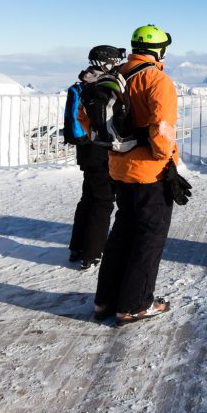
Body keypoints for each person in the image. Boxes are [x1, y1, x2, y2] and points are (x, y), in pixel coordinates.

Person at [91, 24, 179, 326]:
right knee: (148, 239)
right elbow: (162, 128)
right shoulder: (156, 79)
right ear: (159, 50)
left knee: (121, 235)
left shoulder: (113, 77)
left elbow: (87, 119)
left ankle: (105, 301)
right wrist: (166, 161)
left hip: (118, 167)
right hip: (149, 172)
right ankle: (135, 305)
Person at [68, 45, 125, 269]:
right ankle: (93, 253)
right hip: (100, 149)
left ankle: (77, 247)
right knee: (102, 202)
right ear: (106, 63)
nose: (119, 63)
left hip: (85, 150)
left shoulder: (83, 83)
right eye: (115, 60)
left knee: (88, 198)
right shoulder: (103, 85)